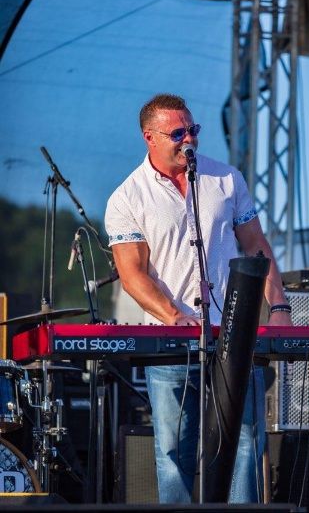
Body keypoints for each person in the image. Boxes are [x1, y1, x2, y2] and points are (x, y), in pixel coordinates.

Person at [105, 93, 292, 503]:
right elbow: (132, 275)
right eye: (177, 133)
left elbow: (256, 246)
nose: (188, 138)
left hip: (233, 334)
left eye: (193, 129)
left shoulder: (226, 179)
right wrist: (173, 315)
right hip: (171, 341)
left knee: (246, 441)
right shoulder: (127, 197)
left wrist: (279, 305)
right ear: (150, 137)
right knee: (174, 452)